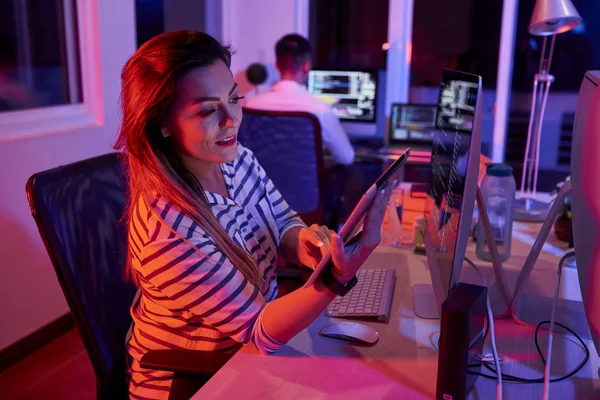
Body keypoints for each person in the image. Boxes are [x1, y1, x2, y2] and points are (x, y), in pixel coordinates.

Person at [115, 30, 393, 399]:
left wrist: (306, 242)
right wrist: (333, 280)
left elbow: (283, 224)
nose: (232, 120)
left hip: (248, 352)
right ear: (161, 124)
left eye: (234, 99)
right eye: (208, 110)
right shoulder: (168, 231)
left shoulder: (237, 159)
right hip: (195, 381)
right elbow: (259, 331)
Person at [244, 34, 355, 166]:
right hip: (304, 185)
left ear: (277, 65)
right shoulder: (320, 110)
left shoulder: (251, 105)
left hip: (262, 185)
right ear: (306, 66)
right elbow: (346, 157)